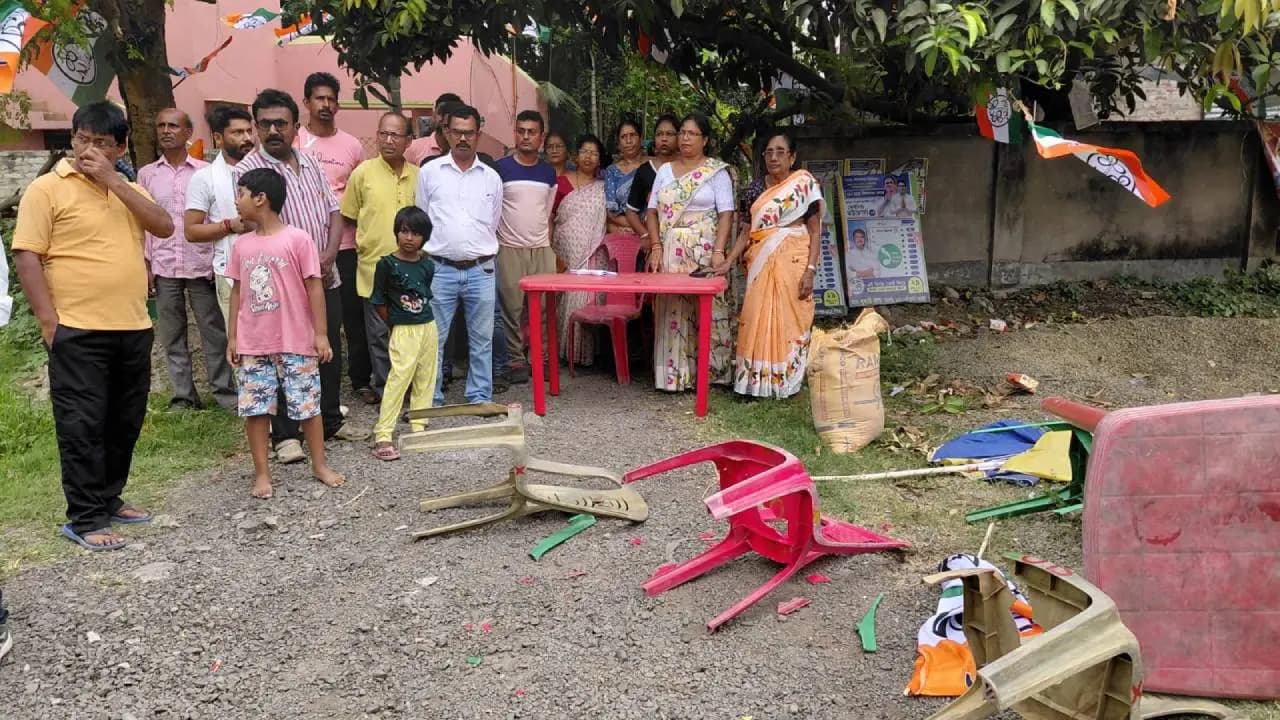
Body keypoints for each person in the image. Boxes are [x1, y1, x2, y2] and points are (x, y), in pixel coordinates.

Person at [12, 100, 175, 550]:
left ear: (120, 148)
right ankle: (85, 518)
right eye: (82, 140)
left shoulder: (128, 188)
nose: (88, 151)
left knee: (125, 419)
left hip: (132, 324)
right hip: (77, 327)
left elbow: (164, 226)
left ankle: (109, 497)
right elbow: (27, 255)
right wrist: (49, 322)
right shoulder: (47, 189)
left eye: (101, 143)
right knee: (81, 424)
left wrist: (113, 180)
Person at [235, 88, 368, 460]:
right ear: (256, 126)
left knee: (326, 348)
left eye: (281, 123)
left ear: (296, 125)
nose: (273, 130)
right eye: (265, 124)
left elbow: (333, 212)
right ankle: (286, 435)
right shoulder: (249, 172)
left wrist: (328, 255)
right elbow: (254, 227)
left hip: (323, 275)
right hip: (280, 285)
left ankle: (330, 420)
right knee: (281, 355)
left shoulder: (310, 163)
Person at [225, 168, 344, 499]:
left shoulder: (298, 239)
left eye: (241, 194)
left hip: (296, 340)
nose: (236, 201)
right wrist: (233, 337)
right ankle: (262, 474)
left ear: (260, 199)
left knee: (308, 406)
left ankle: (319, 465)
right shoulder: (241, 245)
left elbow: (315, 287)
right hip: (253, 343)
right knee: (255, 409)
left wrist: (320, 334)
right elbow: (237, 292)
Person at [140, 108, 235, 413]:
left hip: (201, 264)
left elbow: (217, 215)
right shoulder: (147, 174)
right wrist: (145, 265)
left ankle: (224, 393)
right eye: (161, 125)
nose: (166, 131)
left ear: (188, 132)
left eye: (173, 126)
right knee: (172, 334)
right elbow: (143, 223)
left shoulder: (206, 173)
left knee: (214, 332)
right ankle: (183, 397)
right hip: (164, 265)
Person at [715, 132, 822, 399]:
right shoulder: (755, 190)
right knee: (755, 317)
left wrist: (810, 271)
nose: (774, 157)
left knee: (790, 318)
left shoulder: (804, 186)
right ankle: (754, 383)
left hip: (794, 261)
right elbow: (746, 230)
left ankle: (786, 381)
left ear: (792, 157)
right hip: (760, 262)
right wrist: (728, 261)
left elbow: (815, 231)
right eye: (768, 152)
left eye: (780, 152)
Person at [416, 104, 503, 404]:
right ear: (446, 132)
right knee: (434, 339)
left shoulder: (491, 178)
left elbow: (493, 222)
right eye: (457, 132)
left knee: (482, 340)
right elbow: (422, 217)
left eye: (469, 133)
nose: (463, 139)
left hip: (482, 269)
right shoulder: (429, 173)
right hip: (440, 269)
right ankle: (431, 398)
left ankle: (479, 396)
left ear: (478, 134)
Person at [295, 72, 373, 404]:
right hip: (302, 247)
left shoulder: (352, 146)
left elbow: (363, 191)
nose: (325, 105)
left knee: (353, 316)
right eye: (319, 98)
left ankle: (360, 380)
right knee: (307, 317)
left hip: (346, 246)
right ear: (306, 102)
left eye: (331, 99)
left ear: (337, 104)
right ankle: (309, 380)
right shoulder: (295, 143)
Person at [643, 112, 735, 391]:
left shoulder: (716, 172)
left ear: (705, 140)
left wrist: (719, 250)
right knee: (673, 308)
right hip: (671, 250)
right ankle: (674, 376)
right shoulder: (665, 171)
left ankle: (712, 374)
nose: (685, 138)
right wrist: (656, 246)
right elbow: (651, 211)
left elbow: (726, 214)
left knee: (708, 308)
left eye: (692, 134)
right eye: (682, 132)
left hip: (704, 249)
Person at [341, 112, 418, 407]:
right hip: (373, 270)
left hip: (412, 272)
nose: (388, 140)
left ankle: (411, 388)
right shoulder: (362, 174)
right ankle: (388, 392)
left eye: (395, 135)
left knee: (409, 335)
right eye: (383, 133)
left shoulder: (419, 176)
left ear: (408, 141)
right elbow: (350, 216)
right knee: (379, 336)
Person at [370, 207, 438, 461]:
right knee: (399, 379)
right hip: (403, 329)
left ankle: (419, 426)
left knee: (426, 376)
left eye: (416, 233)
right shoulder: (387, 265)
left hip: (428, 326)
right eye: (404, 231)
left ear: (425, 237)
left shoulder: (427, 264)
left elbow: (425, 293)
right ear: (396, 232)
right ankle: (383, 434)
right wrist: (395, 323)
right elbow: (378, 300)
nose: (409, 238)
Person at [495, 110, 557, 384]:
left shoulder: (548, 173)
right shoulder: (501, 169)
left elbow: (548, 212)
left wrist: (547, 244)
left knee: (543, 309)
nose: (526, 136)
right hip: (509, 247)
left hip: (541, 248)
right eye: (521, 131)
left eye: (532, 132)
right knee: (512, 308)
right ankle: (515, 360)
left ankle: (540, 358)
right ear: (515, 134)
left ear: (541, 137)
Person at [184, 105, 257, 323]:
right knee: (239, 338)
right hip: (230, 272)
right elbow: (191, 231)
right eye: (237, 132)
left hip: (271, 266)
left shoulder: (266, 170)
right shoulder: (204, 178)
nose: (247, 138)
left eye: (249, 131)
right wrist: (229, 226)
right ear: (218, 138)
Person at [550, 134, 607, 366]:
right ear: (576, 156)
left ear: (600, 159)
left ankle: (585, 353)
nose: (589, 157)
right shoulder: (561, 182)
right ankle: (562, 349)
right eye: (585, 151)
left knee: (585, 294)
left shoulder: (603, 188)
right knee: (563, 295)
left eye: (594, 153)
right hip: (563, 248)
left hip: (590, 251)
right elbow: (551, 217)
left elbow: (607, 219)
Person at [625, 114, 679, 255]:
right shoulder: (645, 170)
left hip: (683, 240)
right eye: (659, 134)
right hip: (654, 245)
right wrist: (645, 234)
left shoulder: (688, 170)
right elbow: (631, 211)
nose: (664, 139)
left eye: (669, 134)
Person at [603, 118, 649, 237]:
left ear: (640, 138)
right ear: (619, 143)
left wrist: (644, 228)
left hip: (652, 229)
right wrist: (636, 227)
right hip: (624, 232)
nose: (628, 141)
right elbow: (611, 212)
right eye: (623, 137)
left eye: (632, 135)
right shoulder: (612, 171)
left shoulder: (652, 165)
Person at [405, 92, 462, 166]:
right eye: (440, 113)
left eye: (449, 113)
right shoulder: (413, 147)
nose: (442, 118)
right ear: (434, 114)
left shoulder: (464, 150)